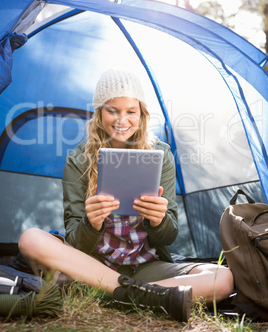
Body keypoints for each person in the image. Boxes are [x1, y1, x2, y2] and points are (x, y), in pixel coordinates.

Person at [19, 69, 234, 322]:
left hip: (144, 267)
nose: (122, 120)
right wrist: (92, 223)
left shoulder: (160, 155)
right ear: (99, 112)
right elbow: (76, 242)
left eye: (131, 111)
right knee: (30, 238)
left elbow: (169, 235)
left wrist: (159, 219)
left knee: (223, 278)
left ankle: (115, 293)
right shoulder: (78, 159)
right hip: (92, 265)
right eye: (113, 110)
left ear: (141, 113)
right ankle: (149, 296)